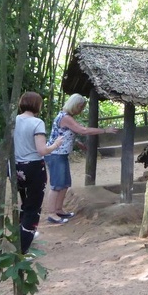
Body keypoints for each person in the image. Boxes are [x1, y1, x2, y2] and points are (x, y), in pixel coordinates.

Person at [44, 93, 118, 224]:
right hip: (55, 154)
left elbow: (66, 133)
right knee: (57, 185)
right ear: (75, 105)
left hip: (61, 154)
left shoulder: (66, 117)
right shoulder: (65, 117)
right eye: (80, 107)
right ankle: (51, 213)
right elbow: (83, 130)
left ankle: (59, 209)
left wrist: (77, 143)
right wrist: (105, 130)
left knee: (65, 183)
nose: (81, 110)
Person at [13, 91, 64, 254]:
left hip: (17, 168)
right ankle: (22, 249)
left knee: (25, 204)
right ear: (37, 105)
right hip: (34, 168)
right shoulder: (37, 122)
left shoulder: (14, 121)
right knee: (32, 209)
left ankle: (22, 235)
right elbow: (42, 150)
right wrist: (56, 144)